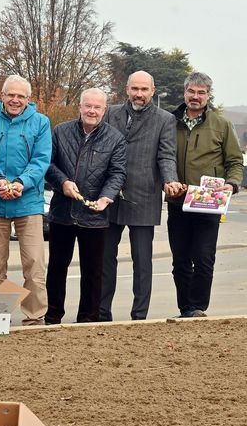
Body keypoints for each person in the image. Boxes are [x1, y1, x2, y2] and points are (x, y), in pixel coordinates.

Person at [100, 71, 181, 321]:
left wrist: (170, 179)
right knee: (104, 260)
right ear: (126, 89)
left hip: (145, 196)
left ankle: (140, 316)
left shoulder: (165, 119)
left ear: (152, 91)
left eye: (144, 89)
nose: (139, 94)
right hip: (109, 196)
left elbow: (166, 155)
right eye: (135, 88)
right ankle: (101, 313)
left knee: (143, 262)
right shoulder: (109, 113)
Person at [0, 75, 51, 325]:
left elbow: (41, 160)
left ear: (28, 100)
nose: (15, 100)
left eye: (21, 96)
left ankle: (34, 316)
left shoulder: (41, 123)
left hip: (28, 202)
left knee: (34, 264)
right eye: (11, 95)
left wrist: (21, 183)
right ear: (2, 96)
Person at [44, 88, 126, 324]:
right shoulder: (60, 131)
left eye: (97, 107)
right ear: (79, 107)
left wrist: (106, 197)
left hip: (95, 216)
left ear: (104, 110)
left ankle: (88, 318)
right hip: (62, 213)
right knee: (57, 267)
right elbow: (48, 165)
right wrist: (63, 182)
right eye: (87, 105)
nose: (91, 110)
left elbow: (117, 173)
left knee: (93, 271)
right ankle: (52, 315)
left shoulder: (115, 139)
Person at [166, 72, 242, 318]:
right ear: (184, 92)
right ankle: (185, 308)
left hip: (208, 202)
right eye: (191, 92)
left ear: (208, 95)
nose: (195, 97)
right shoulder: (170, 122)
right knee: (180, 262)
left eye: (201, 93)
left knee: (203, 258)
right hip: (178, 202)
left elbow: (234, 161)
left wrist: (231, 183)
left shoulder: (221, 125)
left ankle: (197, 307)